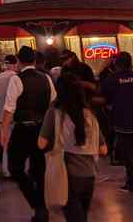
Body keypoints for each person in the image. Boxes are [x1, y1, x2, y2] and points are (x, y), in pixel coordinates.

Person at [38, 74, 107, 222]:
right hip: (89, 176)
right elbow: (103, 150)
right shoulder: (89, 115)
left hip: (67, 177)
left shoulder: (55, 113)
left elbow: (41, 144)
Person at [0, 45, 56, 222]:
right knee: (39, 170)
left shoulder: (17, 80)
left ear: (18, 61)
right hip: (42, 129)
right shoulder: (46, 78)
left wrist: (3, 132)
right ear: (34, 60)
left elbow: (9, 109)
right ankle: (41, 210)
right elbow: (53, 103)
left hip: (23, 129)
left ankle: (37, 203)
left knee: (15, 167)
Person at [99, 52, 133, 193]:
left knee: (130, 156)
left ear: (116, 64)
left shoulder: (113, 78)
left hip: (123, 121)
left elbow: (103, 95)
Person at [0, 55, 18, 177]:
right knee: (17, 143)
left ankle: (7, 171)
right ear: (15, 64)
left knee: (5, 144)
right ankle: (17, 168)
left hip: (0, 116)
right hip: (14, 116)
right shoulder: (16, 77)